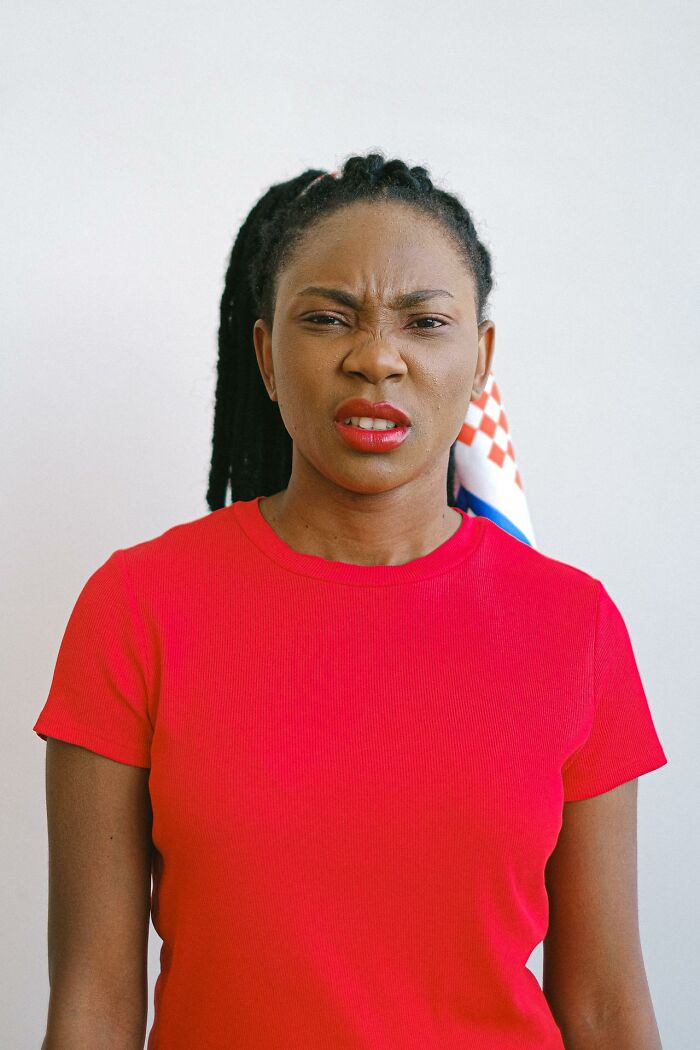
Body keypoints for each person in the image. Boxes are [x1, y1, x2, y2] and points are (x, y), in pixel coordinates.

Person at [33, 152, 668, 1049]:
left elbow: (603, 1005)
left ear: (480, 357)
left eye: (425, 322)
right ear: (264, 351)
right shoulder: (136, 607)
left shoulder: (576, 624)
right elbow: (94, 1005)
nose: (377, 358)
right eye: (328, 318)